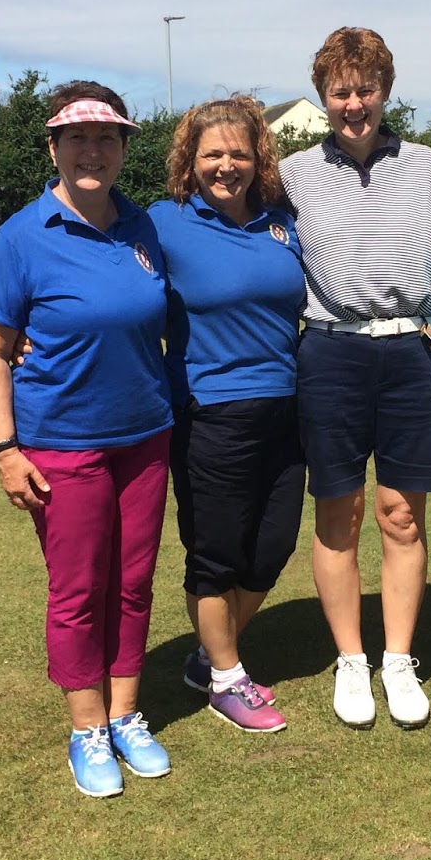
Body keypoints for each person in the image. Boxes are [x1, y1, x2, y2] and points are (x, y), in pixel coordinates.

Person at [0, 81, 174, 797]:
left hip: (146, 435)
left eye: (107, 138)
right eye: (78, 139)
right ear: (54, 148)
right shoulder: (22, 236)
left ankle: (125, 715)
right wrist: (5, 450)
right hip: (62, 444)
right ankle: (86, 728)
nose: (93, 151)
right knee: (79, 590)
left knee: (134, 583)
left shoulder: (142, 226)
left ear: (122, 148)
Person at [279, 28, 431, 730]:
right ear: (324, 96)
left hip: (411, 351)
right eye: (340, 91)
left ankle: (398, 660)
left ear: (386, 89)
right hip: (329, 354)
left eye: (366, 88)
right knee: (339, 514)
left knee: (401, 516)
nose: (354, 103)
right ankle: (352, 661)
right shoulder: (291, 173)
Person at [148, 96, 307, 734]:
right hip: (209, 412)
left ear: (257, 157)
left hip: (287, 406)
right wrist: (26, 333)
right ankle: (225, 678)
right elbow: (107, 279)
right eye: (212, 153)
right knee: (215, 554)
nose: (226, 165)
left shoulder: (281, 220)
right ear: (190, 159)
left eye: (238, 152)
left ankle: (210, 655)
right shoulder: (161, 223)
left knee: (271, 549)